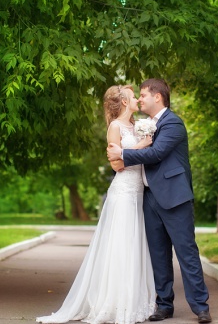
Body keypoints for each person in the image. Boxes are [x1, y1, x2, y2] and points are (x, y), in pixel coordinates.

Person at [37, 85, 156, 324]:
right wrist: (142, 146)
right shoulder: (115, 127)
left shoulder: (139, 126)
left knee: (135, 245)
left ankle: (135, 301)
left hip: (139, 193)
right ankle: (115, 303)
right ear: (124, 102)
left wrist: (131, 148)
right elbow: (117, 166)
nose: (137, 100)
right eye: (134, 97)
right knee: (120, 246)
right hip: (123, 192)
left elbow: (133, 156)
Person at [107, 79, 212, 323]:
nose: (140, 99)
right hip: (148, 196)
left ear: (158, 97)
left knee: (186, 253)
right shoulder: (145, 125)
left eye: (143, 95)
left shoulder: (173, 122)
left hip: (175, 197)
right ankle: (164, 305)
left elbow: (156, 153)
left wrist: (122, 153)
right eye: (139, 96)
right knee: (158, 255)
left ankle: (201, 307)